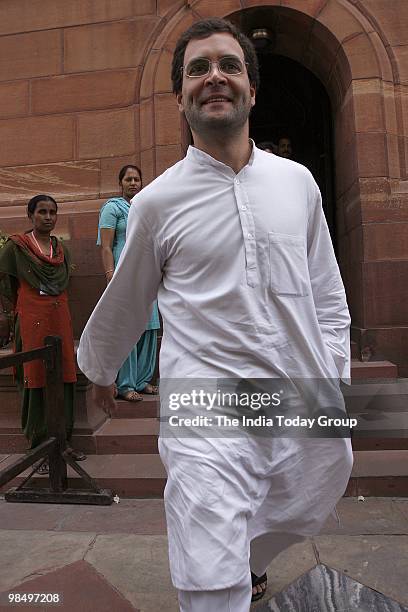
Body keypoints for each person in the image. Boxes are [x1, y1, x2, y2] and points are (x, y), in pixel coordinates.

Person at [78, 18, 353, 612]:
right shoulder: (156, 202)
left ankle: (251, 557)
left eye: (228, 65)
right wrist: (99, 369)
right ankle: (226, 577)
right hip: (203, 406)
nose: (214, 77)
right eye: (197, 68)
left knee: (317, 485)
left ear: (252, 88)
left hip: (293, 395)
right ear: (180, 96)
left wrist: (333, 376)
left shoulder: (298, 183)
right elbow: (124, 301)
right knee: (208, 569)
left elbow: (327, 293)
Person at [0, 195, 86, 474]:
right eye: (42, 212)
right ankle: (38, 444)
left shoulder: (61, 249)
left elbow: (63, 283)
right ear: (30, 215)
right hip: (31, 319)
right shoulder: (16, 248)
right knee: (34, 376)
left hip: (59, 317)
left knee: (63, 375)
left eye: (52, 212)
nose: (48, 217)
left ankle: (63, 441)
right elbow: (5, 282)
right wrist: (12, 312)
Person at [97, 164, 160, 401]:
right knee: (128, 329)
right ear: (120, 183)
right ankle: (125, 384)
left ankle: (143, 380)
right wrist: (110, 274)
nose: (133, 183)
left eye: (137, 179)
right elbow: (105, 246)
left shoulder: (145, 207)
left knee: (149, 327)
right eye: (128, 179)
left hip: (147, 275)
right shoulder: (112, 208)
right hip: (123, 276)